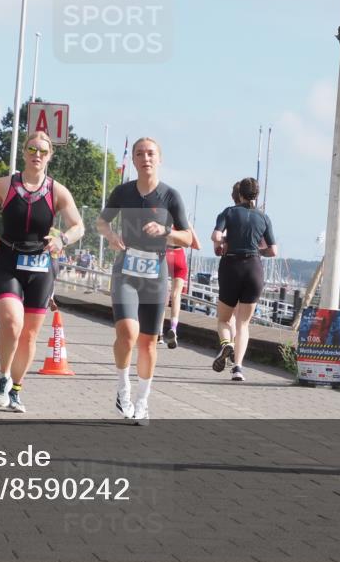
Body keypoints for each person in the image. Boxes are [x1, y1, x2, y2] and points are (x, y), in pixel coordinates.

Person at [0, 131, 84, 414]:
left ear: (50, 156)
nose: (37, 155)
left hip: (40, 264)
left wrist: (62, 239)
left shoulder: (57, 191)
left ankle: (16, 390)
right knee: (12, 323)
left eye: (43, 151)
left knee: (28, 335)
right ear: (24, 152)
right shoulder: (5, 184)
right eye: (32, 149)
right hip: (8, 260)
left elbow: (78, 226)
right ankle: (2, 377)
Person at [97, 137, 192, 423]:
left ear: (159, 159)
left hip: (155, 274)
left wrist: (166, 232)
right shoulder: (123, 192)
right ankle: (122, 389)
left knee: (149, 343)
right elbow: (102, 221)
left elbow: (187, 238)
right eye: (140, 154)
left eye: (150, 153)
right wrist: (111, 236)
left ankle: (142, 400)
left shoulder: (170, 196)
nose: (145, 158)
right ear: (135, 161)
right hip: (126, 270)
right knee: (127, 332)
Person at [210, 178, 277, 382]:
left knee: (223, 318)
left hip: (231, 267)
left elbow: (215, 236)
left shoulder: (229, 212)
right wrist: (256, 248)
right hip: (253, 269)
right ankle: (238, 368)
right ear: (256, 195)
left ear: (239, 194)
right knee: (243, 324)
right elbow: (273, 251)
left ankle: (226, 345)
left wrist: (227, 241)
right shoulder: (264, 218)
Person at [161, 227, 200, 347]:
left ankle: (159, 332)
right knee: (176, 294)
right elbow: (197, 246)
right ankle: (173, 328)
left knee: (162, 294)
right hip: (179, 256)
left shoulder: (164, 219)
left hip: (165, 254)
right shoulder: (184, 222)